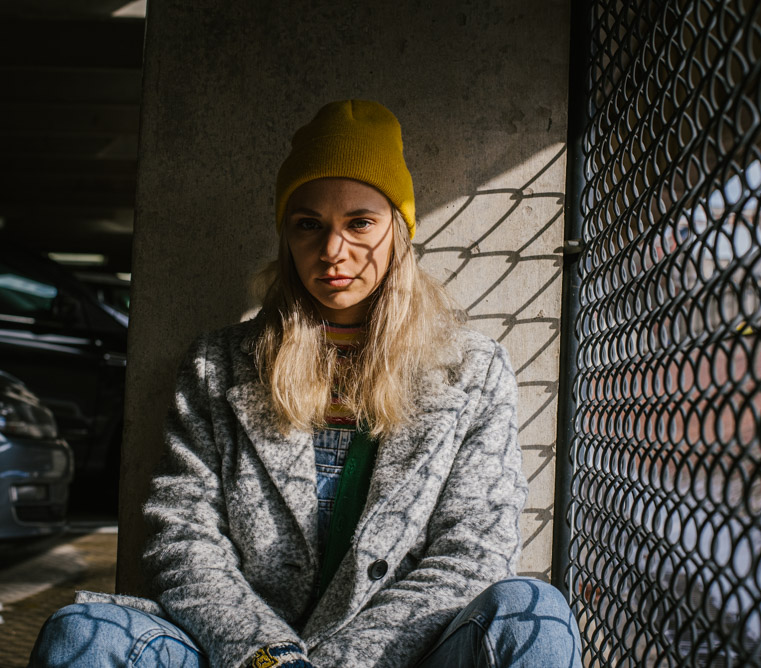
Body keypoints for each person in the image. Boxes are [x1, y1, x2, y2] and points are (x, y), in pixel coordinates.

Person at [30, 100, 583, 667]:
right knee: (83, 632)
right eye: (309, 224)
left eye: (360, 223)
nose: (333, 251)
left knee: (532, 614)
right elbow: (184, 540)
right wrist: (270, 658)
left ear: (398, 231)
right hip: (247, 655)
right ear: (287, 237)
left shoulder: (471, 369)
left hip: (401, 655)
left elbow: (475, 551)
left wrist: (344, 661)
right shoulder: (218, 365)